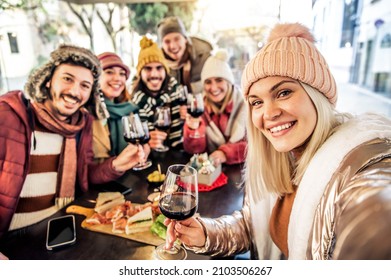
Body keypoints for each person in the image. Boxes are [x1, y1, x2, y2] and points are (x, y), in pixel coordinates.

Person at [164, 23, 391, 260]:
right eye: (256, 102)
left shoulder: (359, 161)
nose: (269, 113)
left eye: (283, 93)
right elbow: (252, 225)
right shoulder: (277, 158)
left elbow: (375, 209)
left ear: (318, 94)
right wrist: (205, 234)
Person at [0, 45, 148, 244]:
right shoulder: (8, 115)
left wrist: (116, 165)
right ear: (47, 80)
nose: (74, 92)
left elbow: (85, 175)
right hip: (12, 237)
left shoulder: (81, 124)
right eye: (67, 79)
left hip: (63, 225)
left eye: (85, 85)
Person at [183, 49, 246, 165]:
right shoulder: (200, 107)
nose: (213, 88)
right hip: (210, 172)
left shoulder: (244, 105)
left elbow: (254, 146)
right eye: (208, 82)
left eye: (219, 80)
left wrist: (226, 153)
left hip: (242, 171)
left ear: (228, 82)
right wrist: (193, 130)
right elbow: (195, 150)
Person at [131, 36, 186, 151]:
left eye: (159, 68)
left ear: (165, 71)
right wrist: (145, 143)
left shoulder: (179, 95)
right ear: (140, 73)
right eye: (148, 69)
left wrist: (189, 122)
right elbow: (131, 145)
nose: (154, 74)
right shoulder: (132, 104)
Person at [91, 52, 139, 162]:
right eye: (109, 72)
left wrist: (145, 150)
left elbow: (138, 146)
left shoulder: (128, 110)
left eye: (122, 74)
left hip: (129, 176)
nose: (117, 78)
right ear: (95, 78)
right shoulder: (87, 113)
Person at [157, 16, 213, 94]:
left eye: (177, 39)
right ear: (162, 45)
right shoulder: (157, 64)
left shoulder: (204, 58)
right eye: (167, 41)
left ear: (185, 39)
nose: (173, 46)